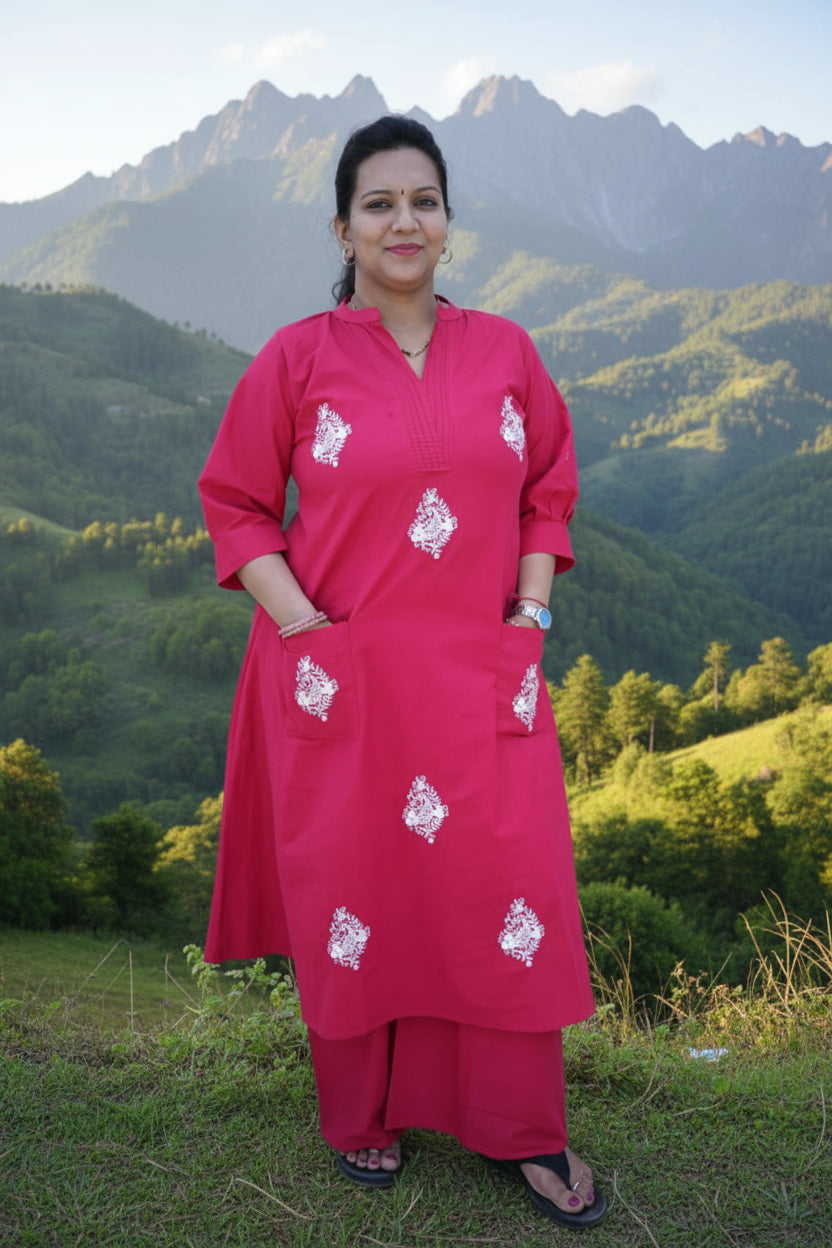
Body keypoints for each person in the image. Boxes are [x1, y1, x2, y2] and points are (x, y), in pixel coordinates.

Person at [198, 115, 607, 1231]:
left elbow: (547, 491)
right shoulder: (296, 358)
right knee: (360, 893)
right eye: (378, 203)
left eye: (421, 199)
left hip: (485, 675)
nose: (403, 220)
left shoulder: (507, 352)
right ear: (343, 227)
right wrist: (305, 629)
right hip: (343, 678)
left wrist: (529, 615)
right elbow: (235, 503)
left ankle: (521, 1130)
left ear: (448, 223)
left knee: (503, 887)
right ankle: (362, 1114)